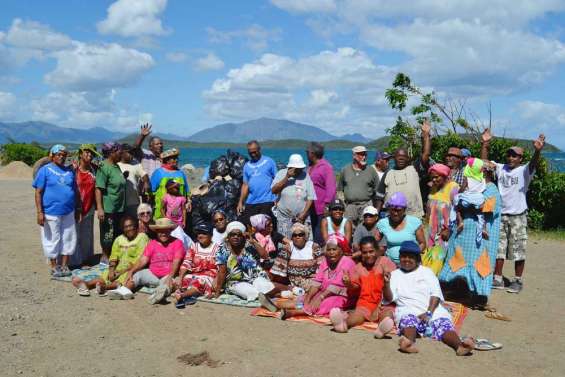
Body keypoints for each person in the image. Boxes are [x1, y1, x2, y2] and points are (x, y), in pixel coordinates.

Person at [480, 130, 546, 294]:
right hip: (500, 215)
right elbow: (484, 162)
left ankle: (517, 280)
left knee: (518, 249)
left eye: (515, 156)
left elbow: (533, 164)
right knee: (499, 248)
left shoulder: (524, 171)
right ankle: (498, 277)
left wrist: (537, 151)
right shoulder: (501, 168)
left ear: (520, 159)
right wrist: (485, 144)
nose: (511, 158)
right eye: (509, 155)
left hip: (518, 216)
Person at [383, 241, 475, 356]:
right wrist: (386, 284)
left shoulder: (427, 272)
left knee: (443, 325)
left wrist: (429, 313)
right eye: (403, 256)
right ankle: (409, 343)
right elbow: (389, 298)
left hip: (432, 310)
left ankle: (459, 346)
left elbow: (435, 294)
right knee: (408, 321)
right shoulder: (395, 274)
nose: (406, 259)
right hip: (409, 309)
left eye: (410, 257)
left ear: (417, 259)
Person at [439, 162, 502, 306]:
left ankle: (478, 295)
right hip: (462, 236)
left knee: (479, 263)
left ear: (483, 174)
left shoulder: (492, 190)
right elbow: (457, 201)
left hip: (479, 240)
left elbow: (486, 208)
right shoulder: (473, 188)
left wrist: (467, 202)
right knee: (457, 260)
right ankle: (454, 290)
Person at [329, 236, 396, 336]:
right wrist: (348, 284)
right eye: (365, 252)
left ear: (377, 251)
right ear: (361, 253)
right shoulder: (358, 267)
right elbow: (355, 287)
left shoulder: (385, 261)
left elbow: (394, 282)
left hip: (384, 302)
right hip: (365, 302)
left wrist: (386, 275)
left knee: (387, 314)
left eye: (371, 251)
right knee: (357, 314)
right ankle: (343, 325)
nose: (368, 255)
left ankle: (381, 329)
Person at [280, 234, 356, 320]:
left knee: (325, 304)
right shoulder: (325, 261)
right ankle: (275, 305)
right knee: (304, 299)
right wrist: (309, 297)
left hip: (342, 296)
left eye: (334, 249)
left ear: (341, 250)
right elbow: (317, 281)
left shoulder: (347, 262)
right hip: (324, 293)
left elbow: (337, 285)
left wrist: (321, 297)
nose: (331, 253)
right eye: (329, 250)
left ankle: (295, 312)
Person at [72, 216, 149, 298]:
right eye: (126, 227)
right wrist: (112, 270)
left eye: (131, 226)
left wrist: (122, 271)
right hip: (119, 267)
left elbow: (140, 259)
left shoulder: (142, 237)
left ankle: (104, 287)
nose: (129, 229)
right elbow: (113, 257)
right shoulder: (119, 239)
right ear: (123, 229)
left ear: (136, 226)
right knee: (106, 275)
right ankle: (86, 284)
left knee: (125, 278)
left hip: (133, 268)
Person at [33, 144, 79, 277]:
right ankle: (54, 266)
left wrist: (78, 208)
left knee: (68, 238)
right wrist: (39, 212)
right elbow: (38, 192)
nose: (62, 157)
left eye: (64, 155)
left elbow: (75, 191)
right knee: (52, 239)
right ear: (52, 156)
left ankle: (65, 266)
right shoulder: (45, 170)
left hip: (68, 211)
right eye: (58, 154)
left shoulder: (69, 171)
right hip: (50, 212)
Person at [375, 120, 431, 218]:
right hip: (391, 216)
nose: (401, 159)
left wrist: (426, 135)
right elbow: (379, 196)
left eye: (403, 157)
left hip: (413, 215)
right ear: (393, 158)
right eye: (398, 157)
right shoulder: (388, 173)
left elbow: (425, 154)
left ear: (408, 159)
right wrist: (376, 214)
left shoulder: (415, 168)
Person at [126, 218, 186, 304]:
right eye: (160, 231)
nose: (163, 234)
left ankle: (158, 294)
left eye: (166, 231)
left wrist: (170, 276)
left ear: (170, 231)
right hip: (152, 273)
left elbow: (177, 261)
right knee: (136, 275)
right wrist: (132, 271)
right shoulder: (152, 243)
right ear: (156, 231)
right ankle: (125, 290)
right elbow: (143, 260)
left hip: (168, 274)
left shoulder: (177, 243)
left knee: (171, 283)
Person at [213, 221, 274, 301]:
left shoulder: (249, 245)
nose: (236, 237)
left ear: (243, 236)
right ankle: (265, 300)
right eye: (233, 235)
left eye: (239, 235)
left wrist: (254, 242)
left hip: (256, 277)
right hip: (235, 282)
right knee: (250, 292)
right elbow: (222, 272)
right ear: (228, 236)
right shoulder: (223, 249)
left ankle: (270, 297)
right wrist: (217, 293)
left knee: (266, 287)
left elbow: (265, 256)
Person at [271, 154, 316, 239]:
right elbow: (274, 190)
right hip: (284, 217)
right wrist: (287, 177)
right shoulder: (281, 173)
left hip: (302, 217)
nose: (300, 170)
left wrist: (303, 213)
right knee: (285, 243)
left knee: (305, 241)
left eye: (301, 168)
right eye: (297, 168)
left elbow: (311, 197)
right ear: (291, 167)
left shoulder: (306, 176)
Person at [268, 222, 323, 292]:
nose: (297, 237)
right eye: (295, 235)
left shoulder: (314, 246)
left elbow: (321, 267)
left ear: (305, 236)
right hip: (292, 282)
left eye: (300, 235)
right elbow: (280, 267)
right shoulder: (288, 247)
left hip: (310, 281)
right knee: (270, 285)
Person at [425, 163, 459, 273]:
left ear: (444, 175)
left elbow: (458, 210)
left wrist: (449, 229)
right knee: (427, 262)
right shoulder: (434, 188)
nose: (434, 180)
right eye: (432, 177)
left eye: (437, 177)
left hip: (445, 233)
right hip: (431, 232)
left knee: (438, 263)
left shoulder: (453, 188)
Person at [174, 224, 220, 304]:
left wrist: (217, 280)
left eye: (204, 233)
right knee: (179, 281)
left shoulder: (218, 249)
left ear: (211, 236)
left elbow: (221, 268)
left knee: (199, 282)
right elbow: (186, 263)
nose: (200, 235)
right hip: (194, 274)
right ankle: (164, 291)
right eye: (199, 233)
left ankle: (182, 296)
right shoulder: (194, 247)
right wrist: (180, 277)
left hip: (209, 277)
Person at [95, 142, 126, 261]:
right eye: (119, 152)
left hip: (119, 207)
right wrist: (100, 208)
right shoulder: (104, 167)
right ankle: (104, 256)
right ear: (111, 153)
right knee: (107, 233)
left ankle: (114, 256)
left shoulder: (115, 166)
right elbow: (98, 188)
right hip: (108, 208)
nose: (121, 154)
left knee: (117, 232)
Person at [376, 192, 426, 265]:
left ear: (404, 209)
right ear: (389, 209)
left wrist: (413, 255)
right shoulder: (383, 223)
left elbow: (422, 243)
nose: (395, 213)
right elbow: (373, 243)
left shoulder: (414, 222)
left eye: (399, 210)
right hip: (390, 264)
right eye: (393, 210)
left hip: (411, 263)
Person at [72, 143, 100, 268]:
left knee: (87, 235)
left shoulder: (95, 170)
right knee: (73, 234)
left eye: (92, 153)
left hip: (89, 207)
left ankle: (85, 259)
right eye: (87, 152)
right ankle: (73, 261)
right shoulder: (73, 169)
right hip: (74, 208)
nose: (89, 155)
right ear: (80, 154)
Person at [237, 140, 277, 226]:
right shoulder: (247, 166)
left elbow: (276, 180)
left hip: (267, 201)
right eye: (250, 153)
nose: (253, 154)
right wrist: (240, 202)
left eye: (255, 152)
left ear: (259, 149)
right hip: (251, 202)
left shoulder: (269, 162)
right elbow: (245, 185)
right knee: (251, 227)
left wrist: (277, 198)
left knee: (265, 227)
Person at [338, 146, 379, 226]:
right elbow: (340, 189)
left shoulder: (371, 170)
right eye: (360, 154)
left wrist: (375, 208)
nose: (363, 157)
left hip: (366, 204)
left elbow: (377, 190)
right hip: (350, 206)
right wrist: (343, 205)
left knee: (366, 228)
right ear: (354, 155)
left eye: (365, 154)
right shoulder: (345, 170)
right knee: (348, 228)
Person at [306, 142, 336, 244]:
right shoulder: (311, 167)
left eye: (307, 152)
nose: (306, 154)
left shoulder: (326, 167)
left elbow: (331, 187)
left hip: (321, 209)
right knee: (312, 235)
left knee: (320, 236)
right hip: (310, 208)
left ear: (312, 153)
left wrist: (327, 205)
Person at [150, 148, 189, 222]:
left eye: (177, 158)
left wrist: (189, 201)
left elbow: (186, 189)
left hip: (179, 214)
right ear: (167, 160)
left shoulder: (180, 173)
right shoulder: (158, 173)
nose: (176, 160)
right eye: (173, 158)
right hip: (162, 210)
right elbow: (151, 191)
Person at [118, 143, 150, 217]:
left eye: (133, 153)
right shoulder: (116, 164)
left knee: (134, 224)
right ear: (122, 153)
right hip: (120, 202)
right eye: (129, 153)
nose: (132, 155)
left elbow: (144, 175)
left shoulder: (136, 163)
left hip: (134, 202)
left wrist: (146, 182)